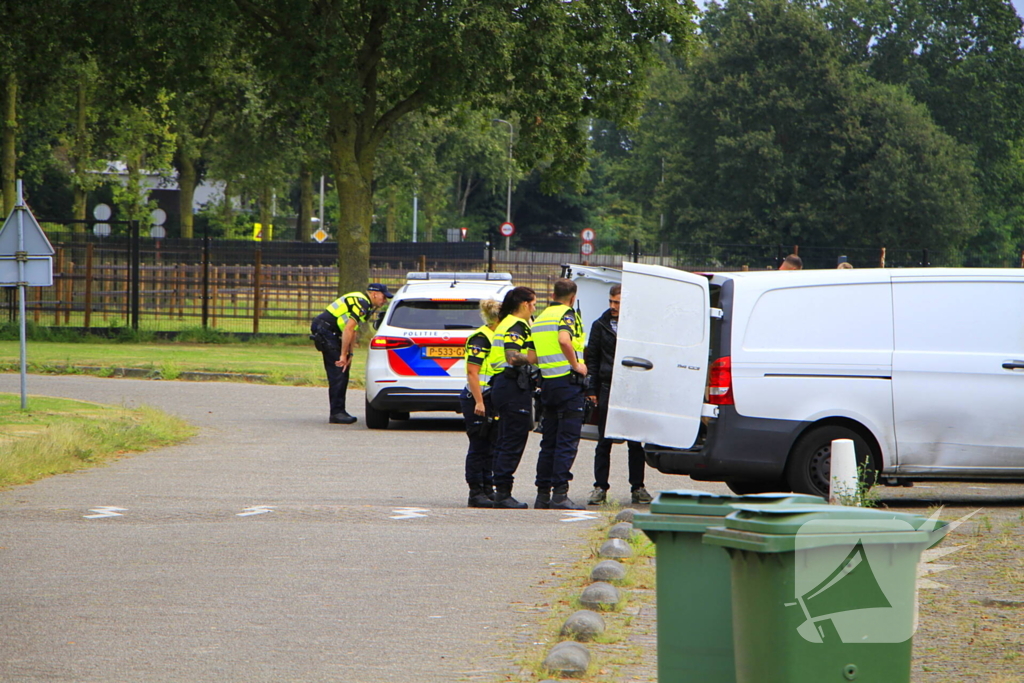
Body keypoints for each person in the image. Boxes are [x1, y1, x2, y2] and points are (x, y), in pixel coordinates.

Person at [585, 284, 652, 505]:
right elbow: (592, 359)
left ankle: (638, 487)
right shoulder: (600, 325)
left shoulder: (638, 327)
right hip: (607, 387)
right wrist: (591, 389)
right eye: (611, 302)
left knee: (635, 442)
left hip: (632, 388)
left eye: (618, 303)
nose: (613, 306)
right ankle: (600, 487)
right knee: (604, 440)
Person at [532, 278, 588, 510]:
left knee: (549, 441)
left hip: (548, 384)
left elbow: (533, 355)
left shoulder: (540, 317)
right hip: (568, 383)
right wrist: (576, 365)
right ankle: (560, 495)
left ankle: (543, 494)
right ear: (572, 298)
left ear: (553, 295)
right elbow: (564, 339)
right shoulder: (567, 314)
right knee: (567, 441)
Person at [310, 283, 392, 424]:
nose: (384, 301)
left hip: (331, 332)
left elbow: (353, 331)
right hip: (326, 331)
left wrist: (350, 354)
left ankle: (339, 411)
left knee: (342, 370)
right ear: (374, 294)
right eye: (383, 297)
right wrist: (342, 355)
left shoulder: (364, 304)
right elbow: (348, 329)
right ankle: (336, 413)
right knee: (338, 371)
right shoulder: (362, 303)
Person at [486, 286, 538, 509]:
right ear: (525, 304)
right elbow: (512, 357)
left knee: (505, 438)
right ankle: (503, 493)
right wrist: (536, 357)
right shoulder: (516, 325)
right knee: (513, 440)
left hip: (504, 385)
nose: (535, 308)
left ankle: (499, 489)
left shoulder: (506, 322)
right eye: (534, 304)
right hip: (511, 385)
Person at [461, 298, 502, 508]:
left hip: (491, 399)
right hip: (478, 399)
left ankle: (488, 488)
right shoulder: (481, 338)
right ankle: (475, 492)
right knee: (478, 446)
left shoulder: (497, 336)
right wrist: (479, 401)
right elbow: (472, 372)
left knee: (491, 447)